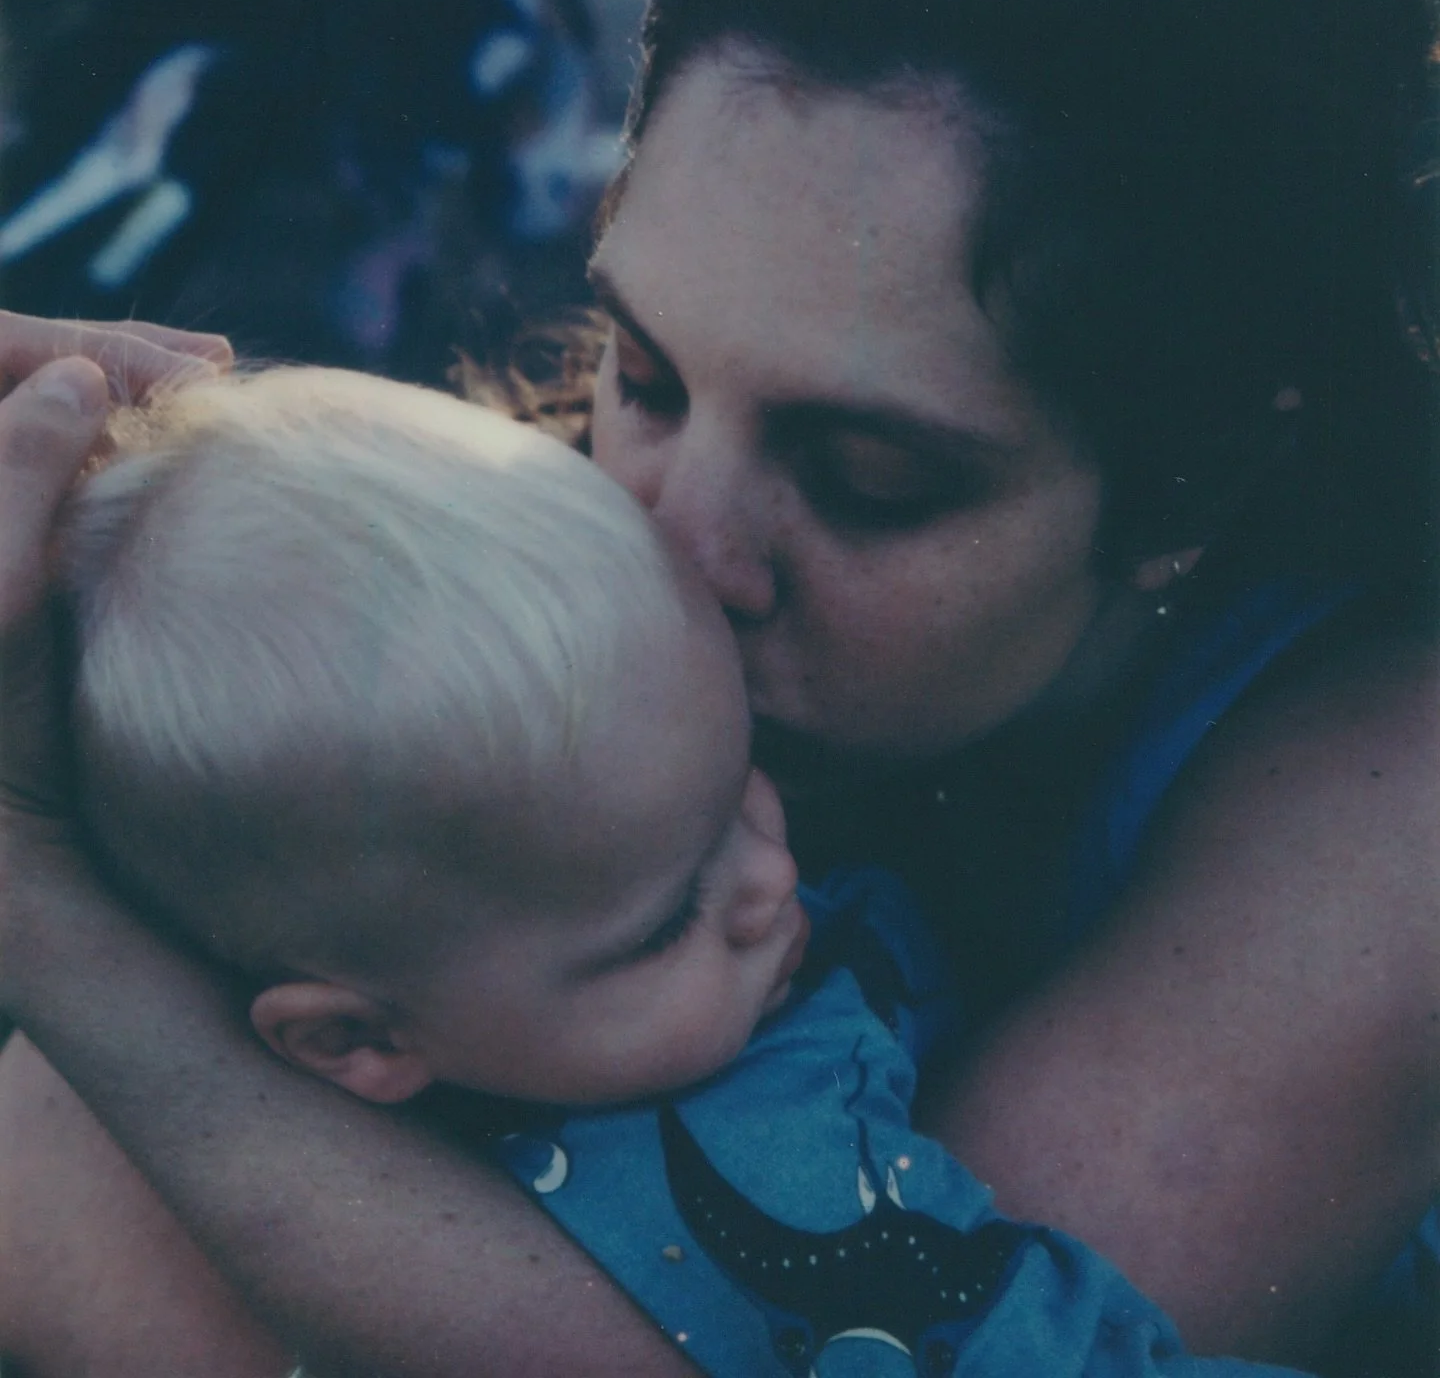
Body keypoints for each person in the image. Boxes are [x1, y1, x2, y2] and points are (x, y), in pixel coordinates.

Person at [0, 0, 1435, 1373]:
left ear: (1196, 478)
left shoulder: (1391, 797)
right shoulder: (553, 577)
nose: (675, 550)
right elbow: (57, 1221)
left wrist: (42, 888)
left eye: (869, 477)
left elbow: (870, 1341)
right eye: (644, 375)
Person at [19, 359, 1301, 1378]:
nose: (766, 881)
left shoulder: (466, 951)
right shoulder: (748, 1149)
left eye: (744, 791)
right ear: (349, 1036)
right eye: (663, 918)